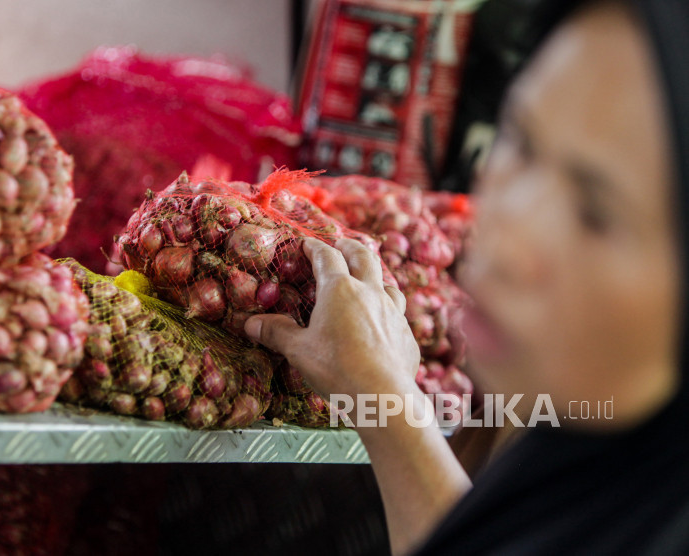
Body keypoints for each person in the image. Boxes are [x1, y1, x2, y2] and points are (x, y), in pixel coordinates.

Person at [244, 0, 689, 554]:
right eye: (521, 141)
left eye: (596, 214)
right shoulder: (587, 464)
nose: (505, 240)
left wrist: (380, 393)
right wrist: (379, 391)